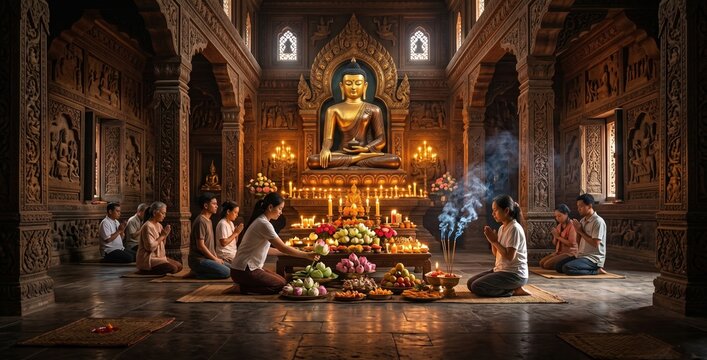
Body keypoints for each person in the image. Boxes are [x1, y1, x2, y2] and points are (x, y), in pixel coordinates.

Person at [306, 58, 401, 169]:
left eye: (358, 83)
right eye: (349, 83)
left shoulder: (374, 109)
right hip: (342, 153)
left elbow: (381, 139)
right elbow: (328, 139)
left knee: (394, 160)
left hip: (367, 154)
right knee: (313, 161)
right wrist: (325, 149)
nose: (353, 87)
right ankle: (356, 159)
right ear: (342, 86)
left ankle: (356, 159)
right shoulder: (333, 110)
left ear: (365, 86)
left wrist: (366, 149)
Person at [228, 192, 319, 294]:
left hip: (243, 269)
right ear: (270, 207)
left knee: (283, 282)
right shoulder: (264, 224)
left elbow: (269, 250)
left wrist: (291, 251)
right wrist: (306, 255)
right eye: (280, 208)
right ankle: (242, 288)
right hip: (243, 270)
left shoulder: (262, 221)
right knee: (280, 285)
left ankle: (244, 285)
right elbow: (282, 247)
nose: (281, 212)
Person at [467, 195, 529, 297]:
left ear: (506, 211)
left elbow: (509, 257)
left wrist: (494, 241)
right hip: (501, 270)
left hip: (514, 275)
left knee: (477, 286)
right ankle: (511, 288)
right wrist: (492, 241)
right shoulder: (501, 228)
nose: (493, 214)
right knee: (470, 283)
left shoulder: (514, 228)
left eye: (495, 210)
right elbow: (496, 254)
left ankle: (512, 290)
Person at [555, 194, 608, 275]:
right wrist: (577, 231)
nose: (578, 209)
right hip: (582, 255)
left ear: (589, 206)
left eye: (581, 206)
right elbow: (578, 242)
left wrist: (580, 231)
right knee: (558, 266)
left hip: (593, 258)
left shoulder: (598, 221)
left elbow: (595, 243)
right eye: (578, 206)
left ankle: (596, 271)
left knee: (567, 268)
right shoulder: (582, 220)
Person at [189, 193, 230, 279]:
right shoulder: (201, 221)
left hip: (208, 259)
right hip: (199, 260)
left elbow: (210, 245)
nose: (217, 206)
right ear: (206, 206)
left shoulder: (209, 220)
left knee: (233, 269)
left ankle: (200, 271)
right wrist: (215, 260)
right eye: (214, 204)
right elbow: (200, 246)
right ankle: (196, 273)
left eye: (216, 204)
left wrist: (216, 258)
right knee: (226, 272)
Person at [136, 202, 183, 275]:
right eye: (163, 213)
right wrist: (162, 236)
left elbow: (162, 245)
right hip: (148, 259)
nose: (164, 216)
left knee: (179, 266)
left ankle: (156, 267)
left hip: (159, 257)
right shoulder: (147, 226)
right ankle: (145, 270)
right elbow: (150, 248)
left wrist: (165, 235)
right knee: (173, 268)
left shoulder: (159, 225)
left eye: (165, 213)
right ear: (154, 213)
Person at [538, 204, 578, 270]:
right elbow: (554, 243)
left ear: (566, 214)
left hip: (570, 253)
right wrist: (555, 236)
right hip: (559, 252)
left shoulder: (572, 225)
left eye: (559, 216)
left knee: (546, 265)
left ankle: (567, 265)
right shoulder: (559, 226)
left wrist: (558, 236)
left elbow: (572, 244)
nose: (557, 218)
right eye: (556, 216)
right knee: (541, 263)